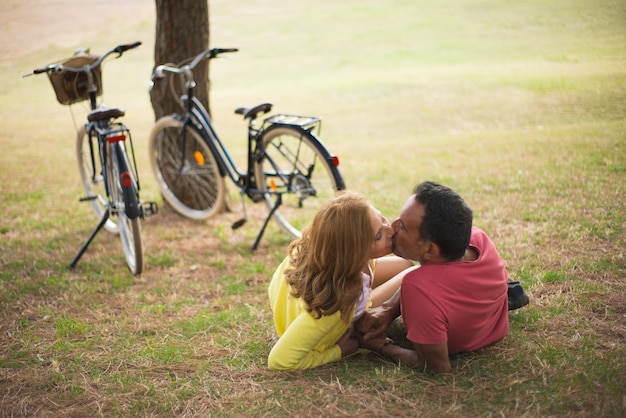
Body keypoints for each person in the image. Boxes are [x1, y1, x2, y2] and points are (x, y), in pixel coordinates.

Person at [356, 181, 511, 373]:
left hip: (453, 340)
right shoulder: (478, 238)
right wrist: (388, 310)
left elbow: (436, 365)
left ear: (430, 249)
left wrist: (383, 347)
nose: (393, 226)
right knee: (405, 268)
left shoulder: (420, 288)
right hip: (491, 330)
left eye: (403, 227)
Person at [267, 192, 414, 370]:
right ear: (354, 253)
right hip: (320, 317)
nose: (390, 230)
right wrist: (338, 351)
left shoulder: (327, 250)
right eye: (378, 236)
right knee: (412, 274)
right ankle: (359, 313)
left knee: (405, 265)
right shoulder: (332, 305)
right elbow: (278, 360)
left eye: (382, 218)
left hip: (293, 299)